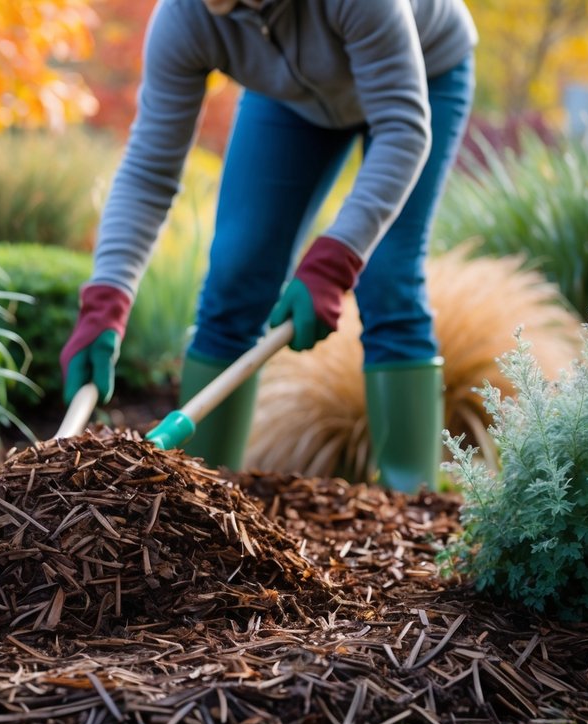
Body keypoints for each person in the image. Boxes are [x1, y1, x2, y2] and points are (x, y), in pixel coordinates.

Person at [60, 0, 476, 492]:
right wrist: (105, 299)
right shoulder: (184, 17)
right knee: (237, 270)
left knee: (388, 273)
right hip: (293, 101)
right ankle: (197, 501)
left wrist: (336, 258)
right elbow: (150, 170)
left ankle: (413, 505)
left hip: (423, 78)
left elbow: (404, 130)